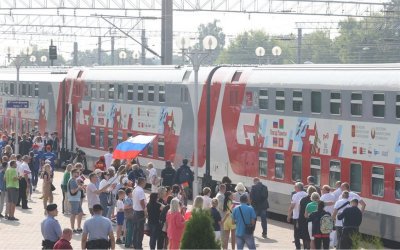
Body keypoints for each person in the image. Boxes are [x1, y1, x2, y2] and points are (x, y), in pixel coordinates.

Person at [287, 182, 308, 250]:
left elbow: (292, 206)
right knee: (305, 232)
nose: (294, 188)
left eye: (295, 187)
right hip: (305, 217)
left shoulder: (295, 195)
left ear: (297, 188)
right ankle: (305, 247)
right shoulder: (306, 194)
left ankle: (298, 248)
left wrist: (289, 215)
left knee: (296, 233)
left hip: (297, 217)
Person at [298, 185, 317, 250]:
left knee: (304, 234)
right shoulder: (316, 201)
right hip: (312, 220)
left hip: (303, 219)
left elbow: (300, 210)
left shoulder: (303, 199)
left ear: (307, 191)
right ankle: (310, 247)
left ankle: (306, 247)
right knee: (311, 235)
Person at [67, 168, 84, 233]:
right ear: (72, 173)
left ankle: (78, 227)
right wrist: (79, 187)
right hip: (73, 199)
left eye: (78, 173)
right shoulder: (72, 181)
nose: (77, 174)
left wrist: (81, 187)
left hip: (76, 199)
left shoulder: (75, 180)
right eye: (76, 172)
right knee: (73, 214)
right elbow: (73, 191)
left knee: (80, 213)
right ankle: (72, 228)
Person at [132, 177, 147, 250]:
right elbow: (141, 202)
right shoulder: (140, 190)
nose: (145, 183)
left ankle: (135, 244)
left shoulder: (135, 189)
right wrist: (145, 210)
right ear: (142, 182)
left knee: (135, 229)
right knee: (140, 230)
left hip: (135, 211)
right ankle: (138, 246)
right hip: (140, 212)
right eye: (145, 182)